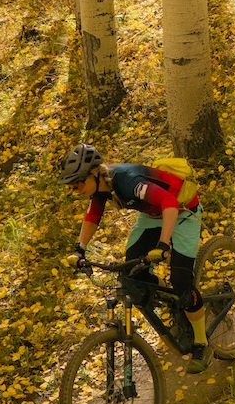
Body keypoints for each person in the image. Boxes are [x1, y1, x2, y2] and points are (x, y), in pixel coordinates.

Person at [59, 145, 213, 373]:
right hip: (153, 215)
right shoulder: (102, 187)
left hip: (181, 212)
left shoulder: (129, 181)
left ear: (94, 173)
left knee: (181, 279)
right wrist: (80, 249)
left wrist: (162, 244)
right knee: (132, 273)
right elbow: (93, 216)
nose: (75, 190)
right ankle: (173, 305)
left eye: (77, 184)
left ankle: (201, 343)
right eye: (71, 187)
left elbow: (169, 202)